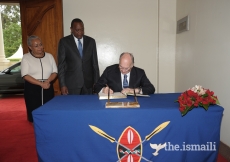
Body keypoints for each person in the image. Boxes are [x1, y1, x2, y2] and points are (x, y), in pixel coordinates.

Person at [57, 18, 99, 95]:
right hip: (72, 84)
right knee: (73, 106)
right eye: (77, 30)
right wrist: (62, 85)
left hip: (88, 84)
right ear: (71, 29)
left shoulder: (91, 41)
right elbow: (61, 65)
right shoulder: (64, 42)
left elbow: (95, 64)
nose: (80, 32)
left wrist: (96, 83)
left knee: (88, 106)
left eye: (82, 29)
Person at [21, 35, 57, 122]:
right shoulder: (26, 57)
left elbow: (55, 72)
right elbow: (25, 75)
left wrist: (47, 81)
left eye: (40, 44)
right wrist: (41, 84)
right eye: (36, 46)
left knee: (48, 111)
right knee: (34, 112)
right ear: (30, 47)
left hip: (48, 86)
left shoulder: (49, 56)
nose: (40, 47)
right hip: (32, 89)